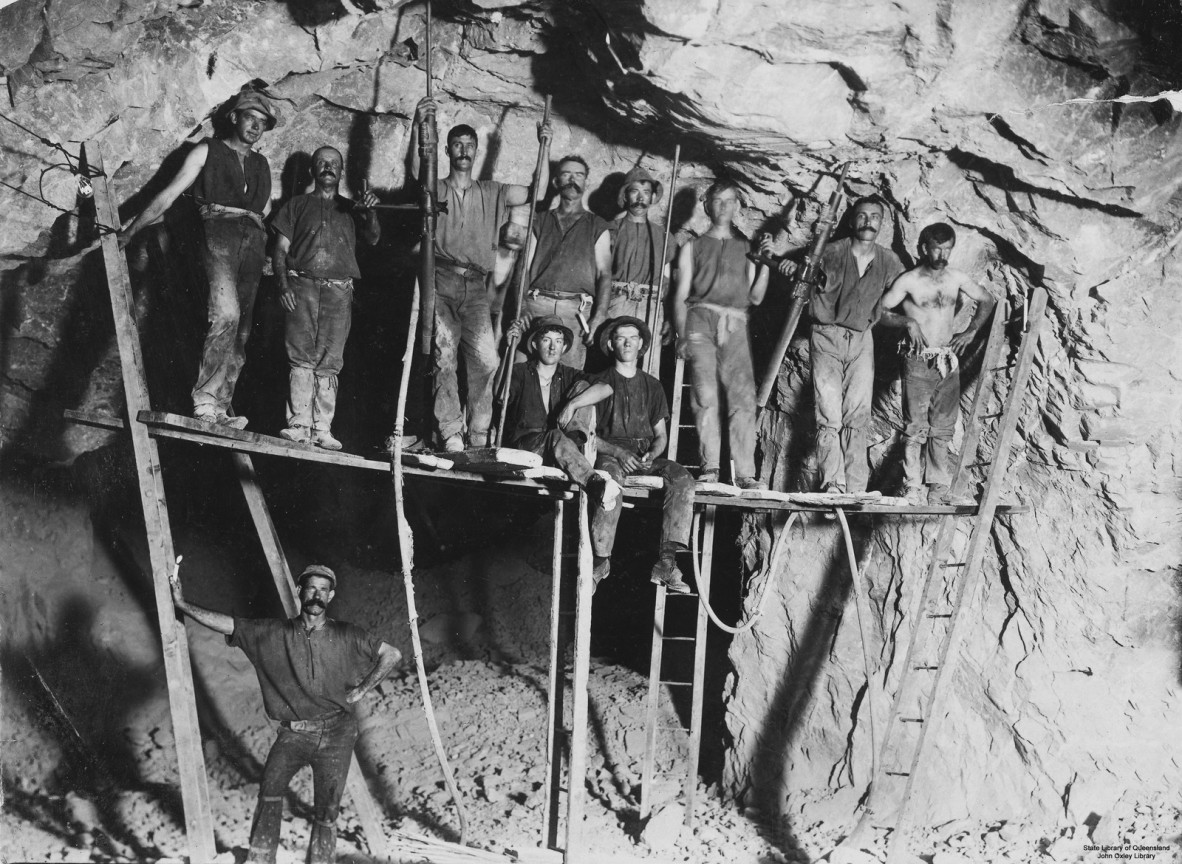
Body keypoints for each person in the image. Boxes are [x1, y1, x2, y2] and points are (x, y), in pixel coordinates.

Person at [169, 563, 401, 864]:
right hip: (295, 733)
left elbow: (391, 654)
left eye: (323, 589)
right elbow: (230, 625)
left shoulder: (347, 634)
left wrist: (362, 690)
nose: (316, 594)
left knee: (328, 807)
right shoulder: (273, 633)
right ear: (299, 592)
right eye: (311, 588)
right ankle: (260, 858)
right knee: (270, 788)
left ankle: (320, 861)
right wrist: (183, 604)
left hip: (337, 733)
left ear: (330, 596)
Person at [118, 90, 278, 429]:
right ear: (234, 117)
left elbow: (265, 213)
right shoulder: (207, 150)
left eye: (263, 123)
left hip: (253, 242)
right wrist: (131, 231)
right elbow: (169, 195)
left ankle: (221, 407)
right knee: (226, 314)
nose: (256, 126)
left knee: (243, 331)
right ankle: (204, 402)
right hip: (218, 235)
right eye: (251, 117)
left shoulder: (262, 165)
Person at [411, 99, 552, 451]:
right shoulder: (436, 187)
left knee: (486, 361)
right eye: (457, 145)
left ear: (476, 152)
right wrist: (420, 125)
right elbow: (417, 170)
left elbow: (539, 193)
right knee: (443, 356)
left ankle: (478, 433)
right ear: (447, 150)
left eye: (469, 146)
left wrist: (544, 147)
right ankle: (450, 432)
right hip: (439, 280)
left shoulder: (493, 192)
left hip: (475, 286)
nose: (463, 151)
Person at [879, 222, 996, 505]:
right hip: (917, 358)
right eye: (937, 248)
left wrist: (970, 331)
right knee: (915, 426)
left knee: (943, 427)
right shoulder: (909, 281)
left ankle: (938, 488)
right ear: (924, 249)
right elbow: (878, 311)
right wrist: (907, 321)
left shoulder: (955, 277)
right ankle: (912, 487)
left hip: (947, 357)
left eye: (947, 249)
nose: (942, 254)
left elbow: (987, 299)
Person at [271, 146, 380, 450]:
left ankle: (322, 429)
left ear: (341, 171)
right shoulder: (297, 205)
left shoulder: (352, 208)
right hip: (301, 285)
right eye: (322, 163)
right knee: (301, 355)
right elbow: (279, 249)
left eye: (334, 164)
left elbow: (373, 238)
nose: (328, 167)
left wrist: (370, 211)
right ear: (312, 170)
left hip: (338, 290)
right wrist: (283, 286)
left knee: (330, 360)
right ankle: (299, 424)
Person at [671, 179, 771, 490]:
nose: (724, 206)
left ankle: (744, 472)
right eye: (718, 200)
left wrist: (765, 262)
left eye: (730, 200)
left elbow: (755, 298)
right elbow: (679, 294)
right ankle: (710, 467)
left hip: (736, 323)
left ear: (738, 205)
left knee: (742, 398)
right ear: (706, 206)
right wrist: (680, 334)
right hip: (700, 319)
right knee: (704, 394)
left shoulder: (748, 247)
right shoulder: (694, 246)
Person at [590, 317, 695, 593]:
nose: (627, 342)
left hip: (643, 455)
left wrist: (652, 453)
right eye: (621, 337)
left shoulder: (653, 386)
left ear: (641, 344)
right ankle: (600, 562)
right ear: (611, 344)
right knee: (609, 485)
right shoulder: (597, 382)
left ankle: (667, 564)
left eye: (633, 337)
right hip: (611, 455)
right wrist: (616, 451)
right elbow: (587, 436)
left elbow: (661, 436)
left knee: (682, 478)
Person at [809, 195, 905, 494]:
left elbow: (905, 294)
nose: (868, 222)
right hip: (826, 335)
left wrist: (912, 323)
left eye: (875, 217)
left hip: (863, 338)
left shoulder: (889, 261)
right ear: (852, 221)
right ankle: (832, 484)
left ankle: (856, 488)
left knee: (858, 415)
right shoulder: (831, 252)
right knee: (829, 414)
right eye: (862, 216)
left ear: (881, 223)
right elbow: (803, 274)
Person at [502, 316, 621, 509]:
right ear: (535, 343)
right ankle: (595, 484)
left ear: (564, 347)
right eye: (546, 340)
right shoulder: (521, 371)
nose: (552, 347)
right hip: (526, 445)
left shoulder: (569, 374)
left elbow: (606, 388)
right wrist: (509, 350)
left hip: (561, 445)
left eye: (558, 342)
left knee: (585, 388)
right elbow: (501, 394)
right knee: (555, 435)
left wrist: (573, 404)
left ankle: (572, 446)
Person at [525, 155, 612, 369]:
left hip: (575, 311)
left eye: (579, 175)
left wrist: (599, 315)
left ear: (585, 183)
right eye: (566, 174)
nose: (573, 179)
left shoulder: (597, 225)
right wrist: (520, 306)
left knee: (568, 375)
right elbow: (524, 268)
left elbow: (604, 274)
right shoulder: (540, 220)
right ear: (556, 182)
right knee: (525, 372)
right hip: (537, 306)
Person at [605, 166, 675, 330]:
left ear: (652, 197)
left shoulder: (664, 237)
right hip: (616, 304)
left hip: (651, 307)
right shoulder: (609, 230)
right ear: (625, 195)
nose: (640, 197)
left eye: (646, 192)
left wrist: (669, 316)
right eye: (634, 191)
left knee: (650, 354)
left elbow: (670, 282)